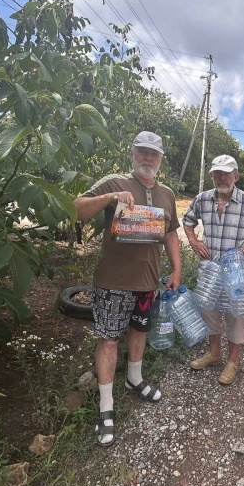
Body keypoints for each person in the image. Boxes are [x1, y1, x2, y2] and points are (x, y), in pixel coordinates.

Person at [74, 131, 182, 447]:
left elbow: (171, 234)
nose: (147, 158)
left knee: (139, 332)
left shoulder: (167, 194)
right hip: (113, 283)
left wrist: (176, 268)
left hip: (148, 282)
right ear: (132, 153)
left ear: (160, 158)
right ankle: (106, 405)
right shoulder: (113, 183)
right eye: (142, 152)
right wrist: (110, 199)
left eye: (153, 153)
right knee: (109, 340)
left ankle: (134, 379)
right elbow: (76, 209)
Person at [183, 155, 244, 385]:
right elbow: (187, 221)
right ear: (211, 176)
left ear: (236, 176)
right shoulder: (202, 199)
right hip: (209, 270)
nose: (221, 177)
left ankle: (233, 361)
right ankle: (215, 354)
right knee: (210, 311)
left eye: (226, 173)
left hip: (236, 273)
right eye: (217, 173)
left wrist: (240, 252)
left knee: (236, 315)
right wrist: (194, 241)